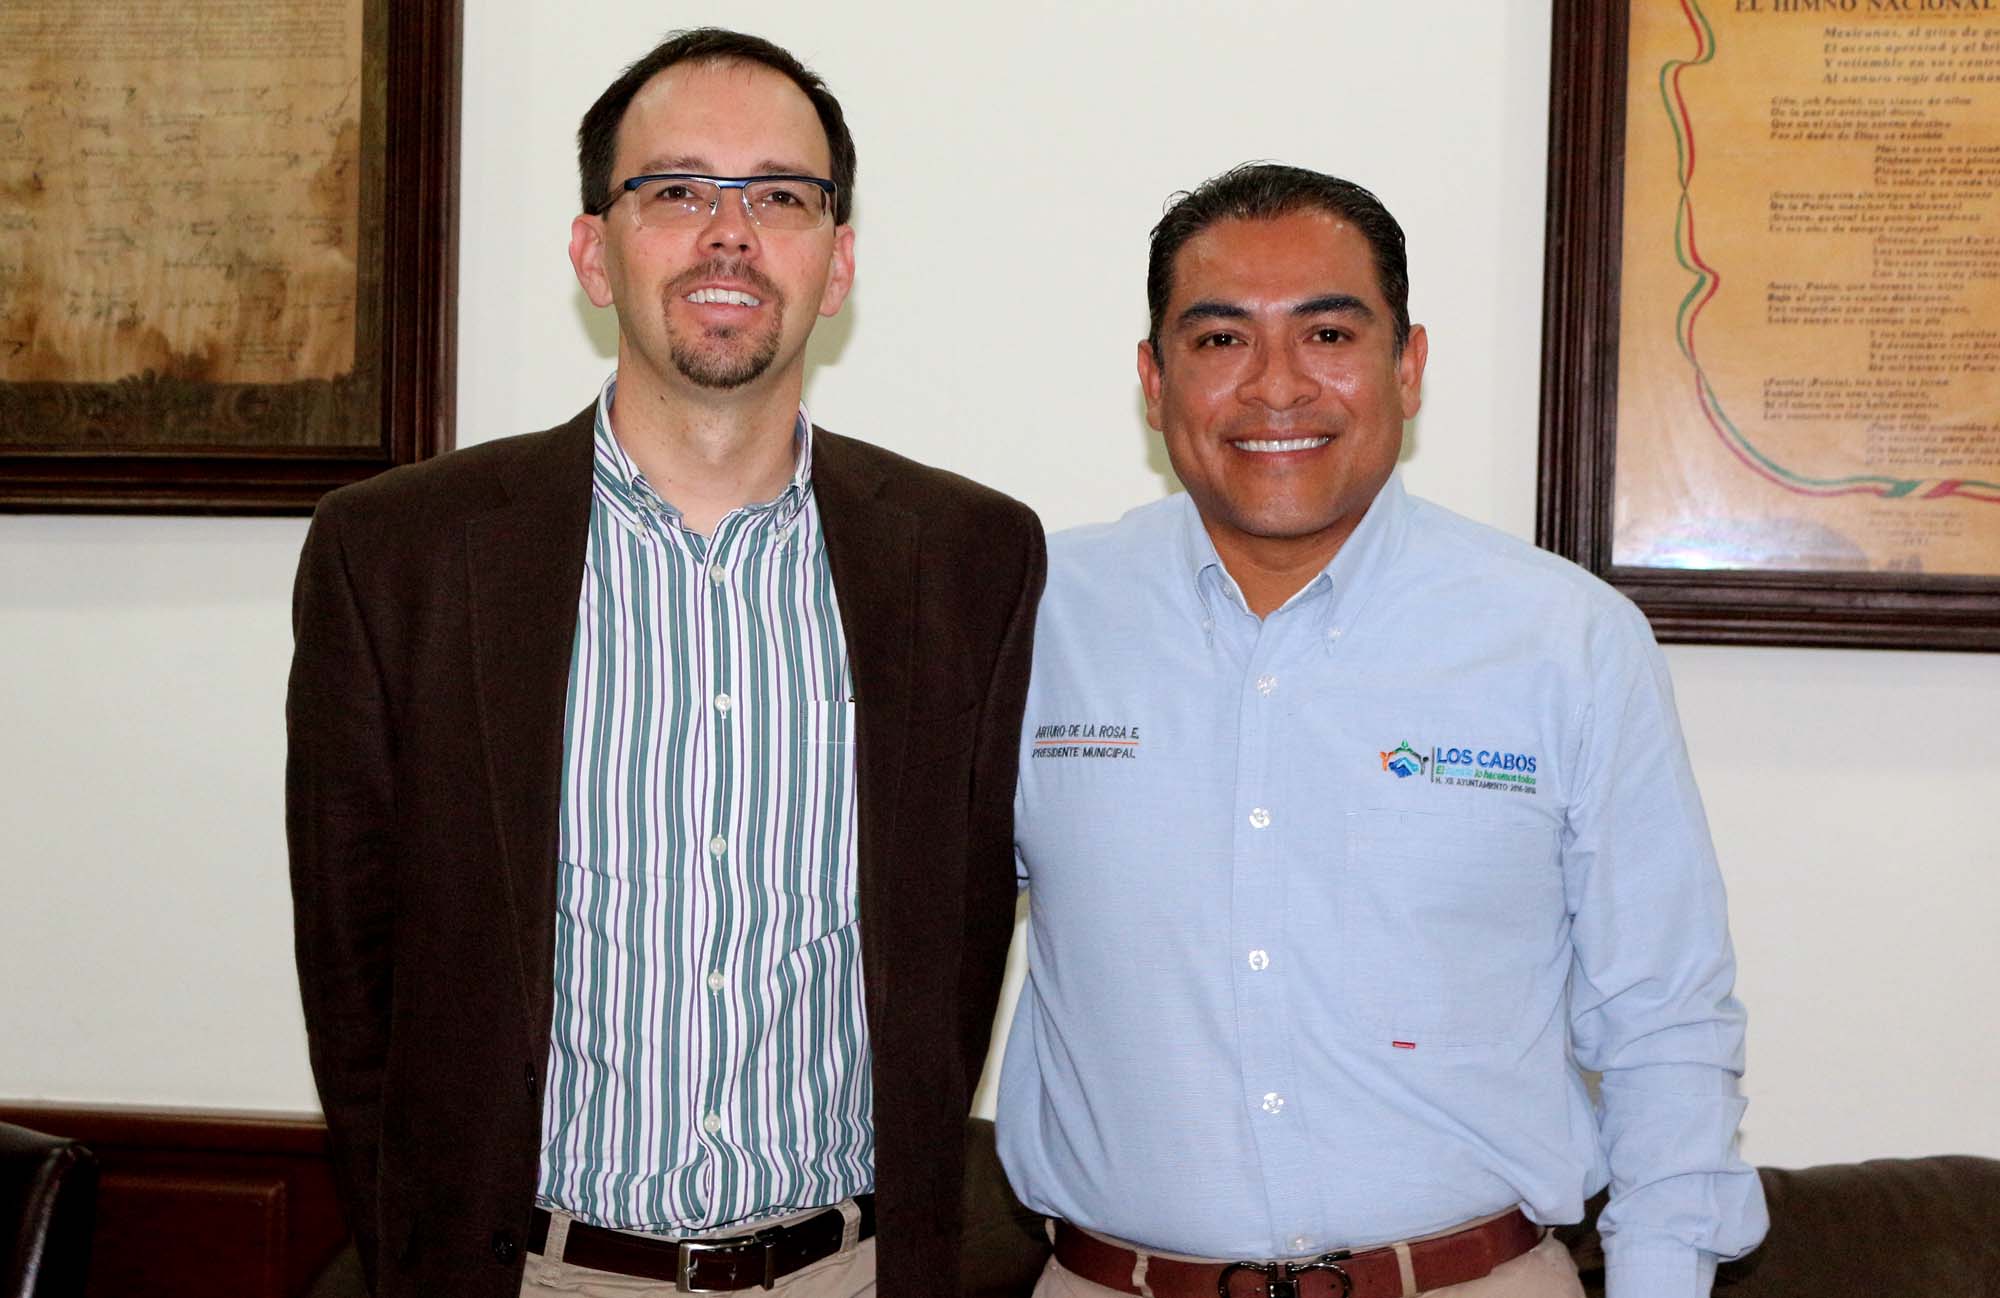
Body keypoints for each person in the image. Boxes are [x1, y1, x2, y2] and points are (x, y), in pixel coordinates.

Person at [287, 28, 1043, 1298]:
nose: (730, 233)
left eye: (781, 197)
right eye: (678, 190)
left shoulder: (968, 560)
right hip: (534, 1274)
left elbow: (961, 945)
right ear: (594, 252)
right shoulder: (400, 554)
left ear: (837, 261)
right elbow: (351, 967)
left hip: (850, 1270)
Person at [997, 164, 1767, 1298]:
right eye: (1220, 339)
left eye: (1327, 334)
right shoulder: (1032, 616)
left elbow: (1664, 1018)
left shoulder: (1562, 638)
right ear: (1154, 380)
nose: (1275, 386)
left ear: (1407, 366)